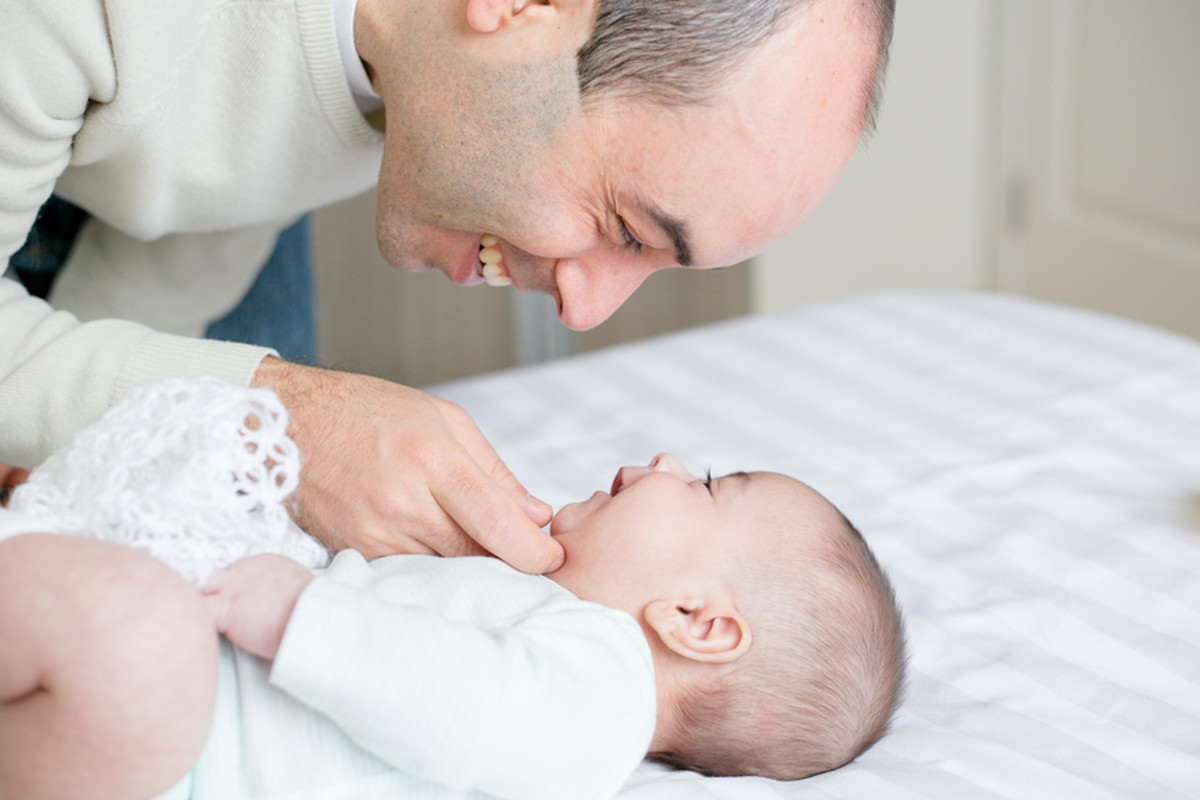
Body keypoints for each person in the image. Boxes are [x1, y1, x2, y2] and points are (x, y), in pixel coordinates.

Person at [0, 0, 896, 573]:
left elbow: (214, 221)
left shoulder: (437, 77)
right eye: (624, 226)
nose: (587, 309)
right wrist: (273, 417)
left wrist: (55, 454)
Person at [0, 453, 906, 800]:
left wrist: (301, 616)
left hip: (189, 754)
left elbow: (466, 703)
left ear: (698, 624)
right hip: (152, 728)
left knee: (132, 627)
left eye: (708, 485)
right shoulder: (545, 626)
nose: (656, 462)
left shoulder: (602, 701)